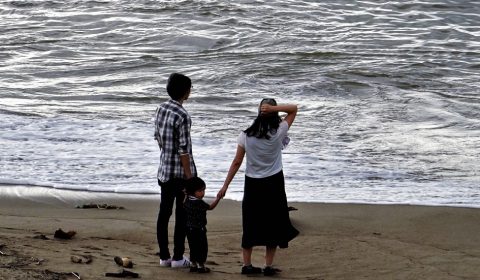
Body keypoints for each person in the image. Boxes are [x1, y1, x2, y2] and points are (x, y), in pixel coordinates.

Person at [217, 98, 299, 277]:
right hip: (274, 183)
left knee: (251, 223)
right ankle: (268, 267)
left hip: (253, 184)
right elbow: (294, 109)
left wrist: (225, 186)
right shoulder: (279, 131)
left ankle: (247, 265)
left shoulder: (245, 135)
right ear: (275, 113)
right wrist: (273, 108)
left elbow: (237, 162)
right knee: (273, 223)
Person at [154, 73, 196, 268]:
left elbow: (158, 138)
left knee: (164, 213)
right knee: (182, 215)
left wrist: (166, 156)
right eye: (190, 88)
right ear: (185, 92)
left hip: (164, 170)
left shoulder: (161, 108)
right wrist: (190, 178)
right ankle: (178, 257)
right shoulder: (183, 115)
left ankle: (164, 256)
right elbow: (184, 150)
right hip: (180, 174)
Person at [184, 177, 221, 273]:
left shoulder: (187, 200)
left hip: (189, 228)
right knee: (202, 247)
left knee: (193, 246)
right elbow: (210, 207)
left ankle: (193, 264)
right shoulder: (199, 202)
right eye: (200, 191)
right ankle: (201, 266)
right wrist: (218, 199)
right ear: (193, 191)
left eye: (204, 190)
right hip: (199, 229)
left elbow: (184, 201)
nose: (203, 193)